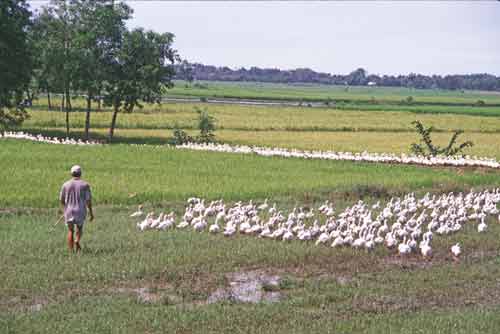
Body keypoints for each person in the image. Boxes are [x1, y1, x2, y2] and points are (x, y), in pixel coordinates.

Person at [59, 165, 94, 252]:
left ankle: (71, 251)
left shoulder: (65, 185)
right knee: (79, 228)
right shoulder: (85, 185)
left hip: (69, 211)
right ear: (80, 173)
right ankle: (77, 240)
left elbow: (62, 200)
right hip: (80, 210)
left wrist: (64, 210)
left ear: (71, 173)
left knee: (71, 231)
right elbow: (88, 200)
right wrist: (91, 212)